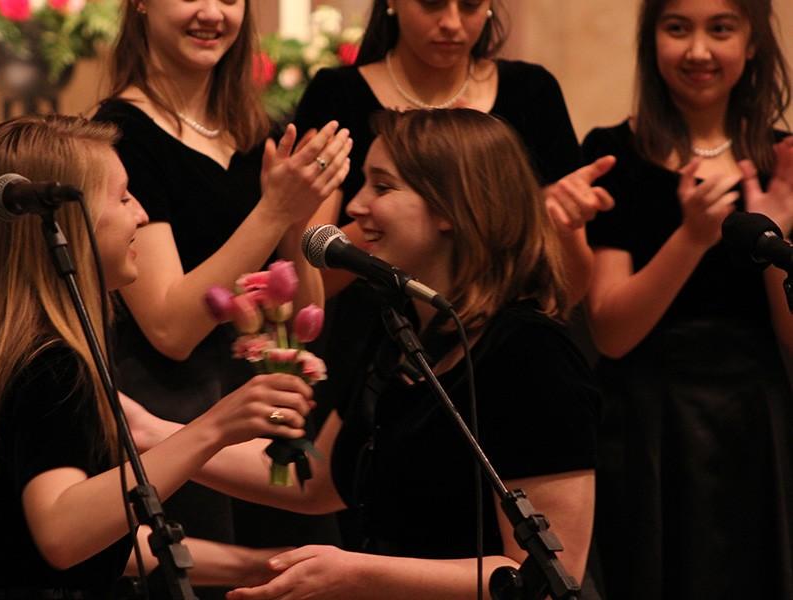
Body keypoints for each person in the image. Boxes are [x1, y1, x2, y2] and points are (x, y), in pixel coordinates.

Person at [126, 109, 601, 599]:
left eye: (382, 186)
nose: (354, 206)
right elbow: (320, 482)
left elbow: (547, 577)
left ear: (450, 208)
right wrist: (151, 433)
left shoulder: (534, 355)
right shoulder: (402, 330)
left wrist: (359, 574)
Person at [0, 115, 316, 599]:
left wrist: (255, 566)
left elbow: (87, 540)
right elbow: (63, 534)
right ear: (63, 224)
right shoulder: (51, 362)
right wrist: (214, 428)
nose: (141, 215)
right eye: (124, 197)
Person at [92, 0, 351, 578]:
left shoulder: (255, 131)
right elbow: (170, 328)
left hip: (266, 424)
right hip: (174, 417)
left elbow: (308, 313)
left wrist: (295, 221)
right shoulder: (119, 136)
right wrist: (273, 210)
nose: (212, 13)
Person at [581, 0, 793, 597]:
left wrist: (773, 241)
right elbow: (611, 332)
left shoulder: (784, 160)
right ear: (653, 43)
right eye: (678, 29)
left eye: (720, 29)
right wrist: (693, 237)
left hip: (758, 422)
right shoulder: (611, 154)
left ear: (752, 44)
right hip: (646, 423)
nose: (698, 51)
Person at [296, 0, 616, 303]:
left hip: (496, 339)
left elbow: (566, 292)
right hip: (374, 343)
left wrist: (564, 226)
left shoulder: (531, 91)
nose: (451, 22)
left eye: (470, 4)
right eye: (432, 2)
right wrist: (402, 214)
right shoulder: (337, 94)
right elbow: (310, 281)